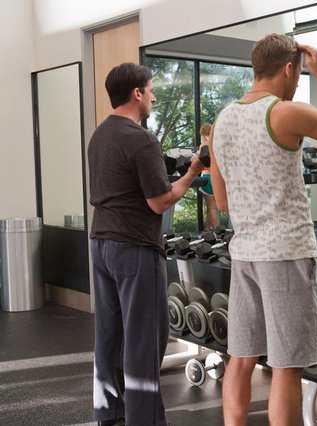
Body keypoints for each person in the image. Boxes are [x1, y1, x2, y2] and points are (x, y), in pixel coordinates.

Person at [207, 34, 317, 426]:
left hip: (245, 252)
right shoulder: (284, 112)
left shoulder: (223, 119)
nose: (297, 81)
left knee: (240, 358)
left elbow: (222, 202)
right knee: (286, 365)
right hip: (286, 253)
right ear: (288, 68)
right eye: (298, 74)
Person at [88, 62, 204, 426]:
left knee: (110, 335)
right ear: (137, 93)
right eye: (151, 90)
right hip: (134, 248)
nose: (153, 97)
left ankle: (110, 412)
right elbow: (160, 201)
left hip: (101, 244)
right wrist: (191, 173)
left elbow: (125, 185)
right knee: (144, 340)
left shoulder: (99, 135)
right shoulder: (141, 139)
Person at [199, 122, 219, 229]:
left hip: (206, 176)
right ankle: (207, 229)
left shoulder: (204, 146)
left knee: (210, 206)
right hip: (216, 177)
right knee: (211, 206)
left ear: (203, 134)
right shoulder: (217, 145)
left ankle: (217, 231)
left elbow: (199, 162)